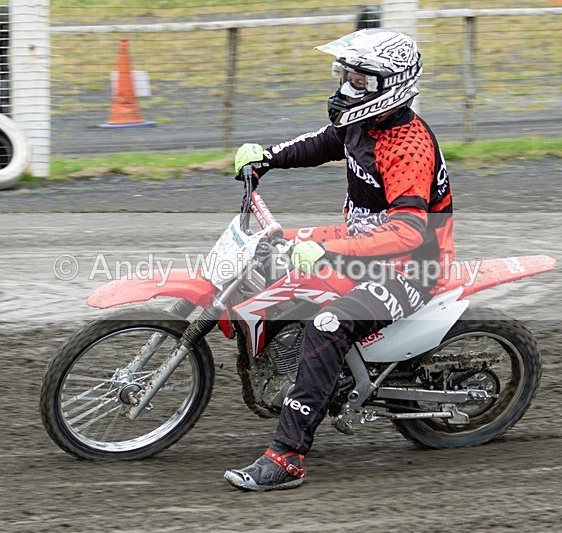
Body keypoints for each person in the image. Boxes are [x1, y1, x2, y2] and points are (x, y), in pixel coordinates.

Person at [224, 28, 454, 492]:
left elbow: (408, 232)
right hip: (363, 246)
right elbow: (327, 142)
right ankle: (294, 370)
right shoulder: (363, 122)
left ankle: (287, 458)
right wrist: (268, 157)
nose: (348, 86)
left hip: (411, 267)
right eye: (346, 75)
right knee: (271, 259)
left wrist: (327, 251)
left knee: (327, 324)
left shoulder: (407, 146)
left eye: (359, 80)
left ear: (391, 85)